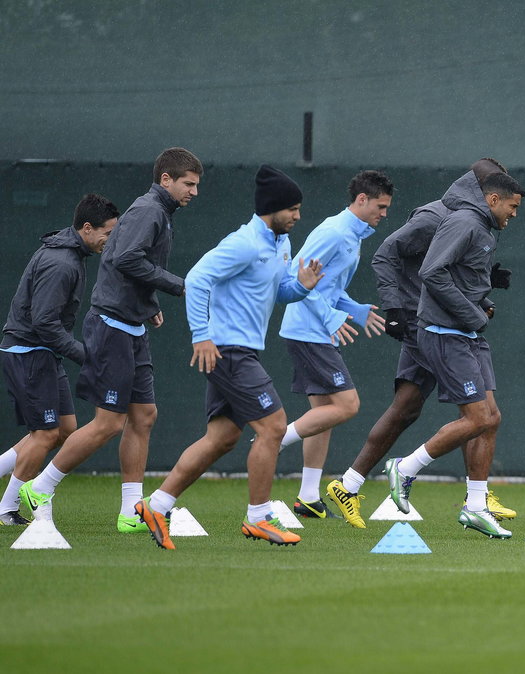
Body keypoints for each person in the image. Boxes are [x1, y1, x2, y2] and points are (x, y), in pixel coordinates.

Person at [133, 165, 325, 550]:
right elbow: (198, 278)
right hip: (228, 351)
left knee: (221, 438)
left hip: (241, 350)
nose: (298, 216)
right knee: (273, 427)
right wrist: (201, 336)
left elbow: (276, 292)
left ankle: (157, 504)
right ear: (273, 208)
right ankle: (258, 517)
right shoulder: (244, 243)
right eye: (293, 209)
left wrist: (300, 288)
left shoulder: (279, 244)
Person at [326, 159, 517, 528]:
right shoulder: (437, 217)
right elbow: (387, 255)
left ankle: (348, 485)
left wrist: (486, 282)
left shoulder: (473, 219)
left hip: (438, 319)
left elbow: (447, 267)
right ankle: (475, 496)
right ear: (484, 190)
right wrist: (394, 309)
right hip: (428, 323)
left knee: (407, 409)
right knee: (480, 414)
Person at [19, 148, 202, 531]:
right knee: (108, 423)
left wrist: (146, 302)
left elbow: (122, 258)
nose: (194, 192)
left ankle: (129, 513)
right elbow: (125, 259)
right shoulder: (150, 210)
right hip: (111, 327)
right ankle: (39, 487)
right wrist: (177, 287)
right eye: (188, 183)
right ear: (166, 179)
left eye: (196, 185)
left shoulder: (160, 213)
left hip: (130, 325)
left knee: (144, 416)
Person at [382, 171, 525, 539]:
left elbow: (464, 278)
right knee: (476, 418)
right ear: (493, 200)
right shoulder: (463, 222)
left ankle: (475, 507)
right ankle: (405, 467)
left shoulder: (481, 226)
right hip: (444, 334)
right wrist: (472, 313)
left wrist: (483, 303)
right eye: (512, 206)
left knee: (491, 418)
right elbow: (432, 272)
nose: (514, 214)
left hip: (468, 333)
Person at [275, 171, 390, 518]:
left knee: (323, 414)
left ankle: (308, 498)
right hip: (308, 331)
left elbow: (327, 287)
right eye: (380, 207)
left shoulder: (353, 236)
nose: (383, 214)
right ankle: (275, 438)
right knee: (347, 405)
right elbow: (299, 278)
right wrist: (329, 318)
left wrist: (351, 309)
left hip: (315, 330)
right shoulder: (335, 233)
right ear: (361, 200)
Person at [0, 194, 118, 525]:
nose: (110, 241)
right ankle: (6, 510)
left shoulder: (71, 255)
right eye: (108, 233)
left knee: (65, 429)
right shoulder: (62, 263)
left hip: (42, 353)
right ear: (86, 228)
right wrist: (87, 357)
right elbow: (45, 323)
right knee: (46, 434)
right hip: (29, 353)